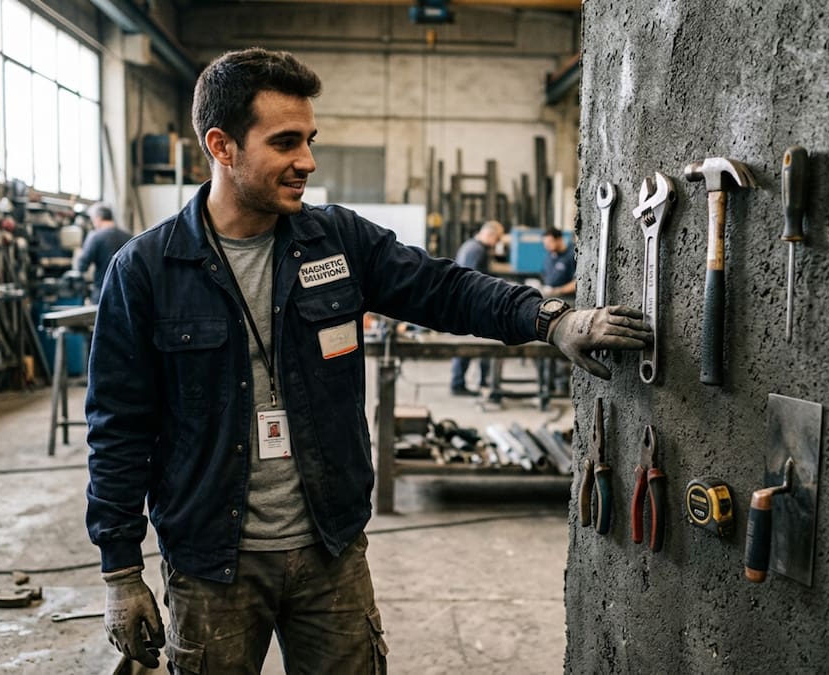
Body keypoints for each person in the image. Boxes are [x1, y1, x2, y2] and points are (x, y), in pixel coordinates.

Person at [84, 46, 650, 674]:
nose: (307, 160)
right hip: (212, 562)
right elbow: (119, 428)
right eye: (286, 142)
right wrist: (121, 572)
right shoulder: (145, 272)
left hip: (331, 549)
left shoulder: (336, 240)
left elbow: (446, 288)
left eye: (310, 139)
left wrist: (552, 319)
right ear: (222, 146)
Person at [449, 220, 504, 396]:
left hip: (465, 304)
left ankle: (466, 382)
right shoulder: (477, 250)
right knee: (472, 345)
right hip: (471, 306)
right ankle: (462, 384)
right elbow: (473, 280)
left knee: (466, 345)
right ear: (490, 235)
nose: (497, 244)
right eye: (497, 239)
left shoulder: (470, 246)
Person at [539, 228, 576, 396]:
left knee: (563, 345)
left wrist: (558, 291)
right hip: (550, 303)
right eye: (545, 244)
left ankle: (562, 385)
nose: (547, 247)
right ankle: (548, 384)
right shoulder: (549, 256)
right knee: (545, 344)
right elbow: (545, 276)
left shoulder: (572, 255)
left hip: (569, 304)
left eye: (549, 243)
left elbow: (577, 282)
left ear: (559, 239)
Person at [74, 202, 132, 303]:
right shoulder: (129, 237)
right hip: (126, 293)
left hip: (103, 292)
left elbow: (82, 266)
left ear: (98, 218)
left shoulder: (95, 237)